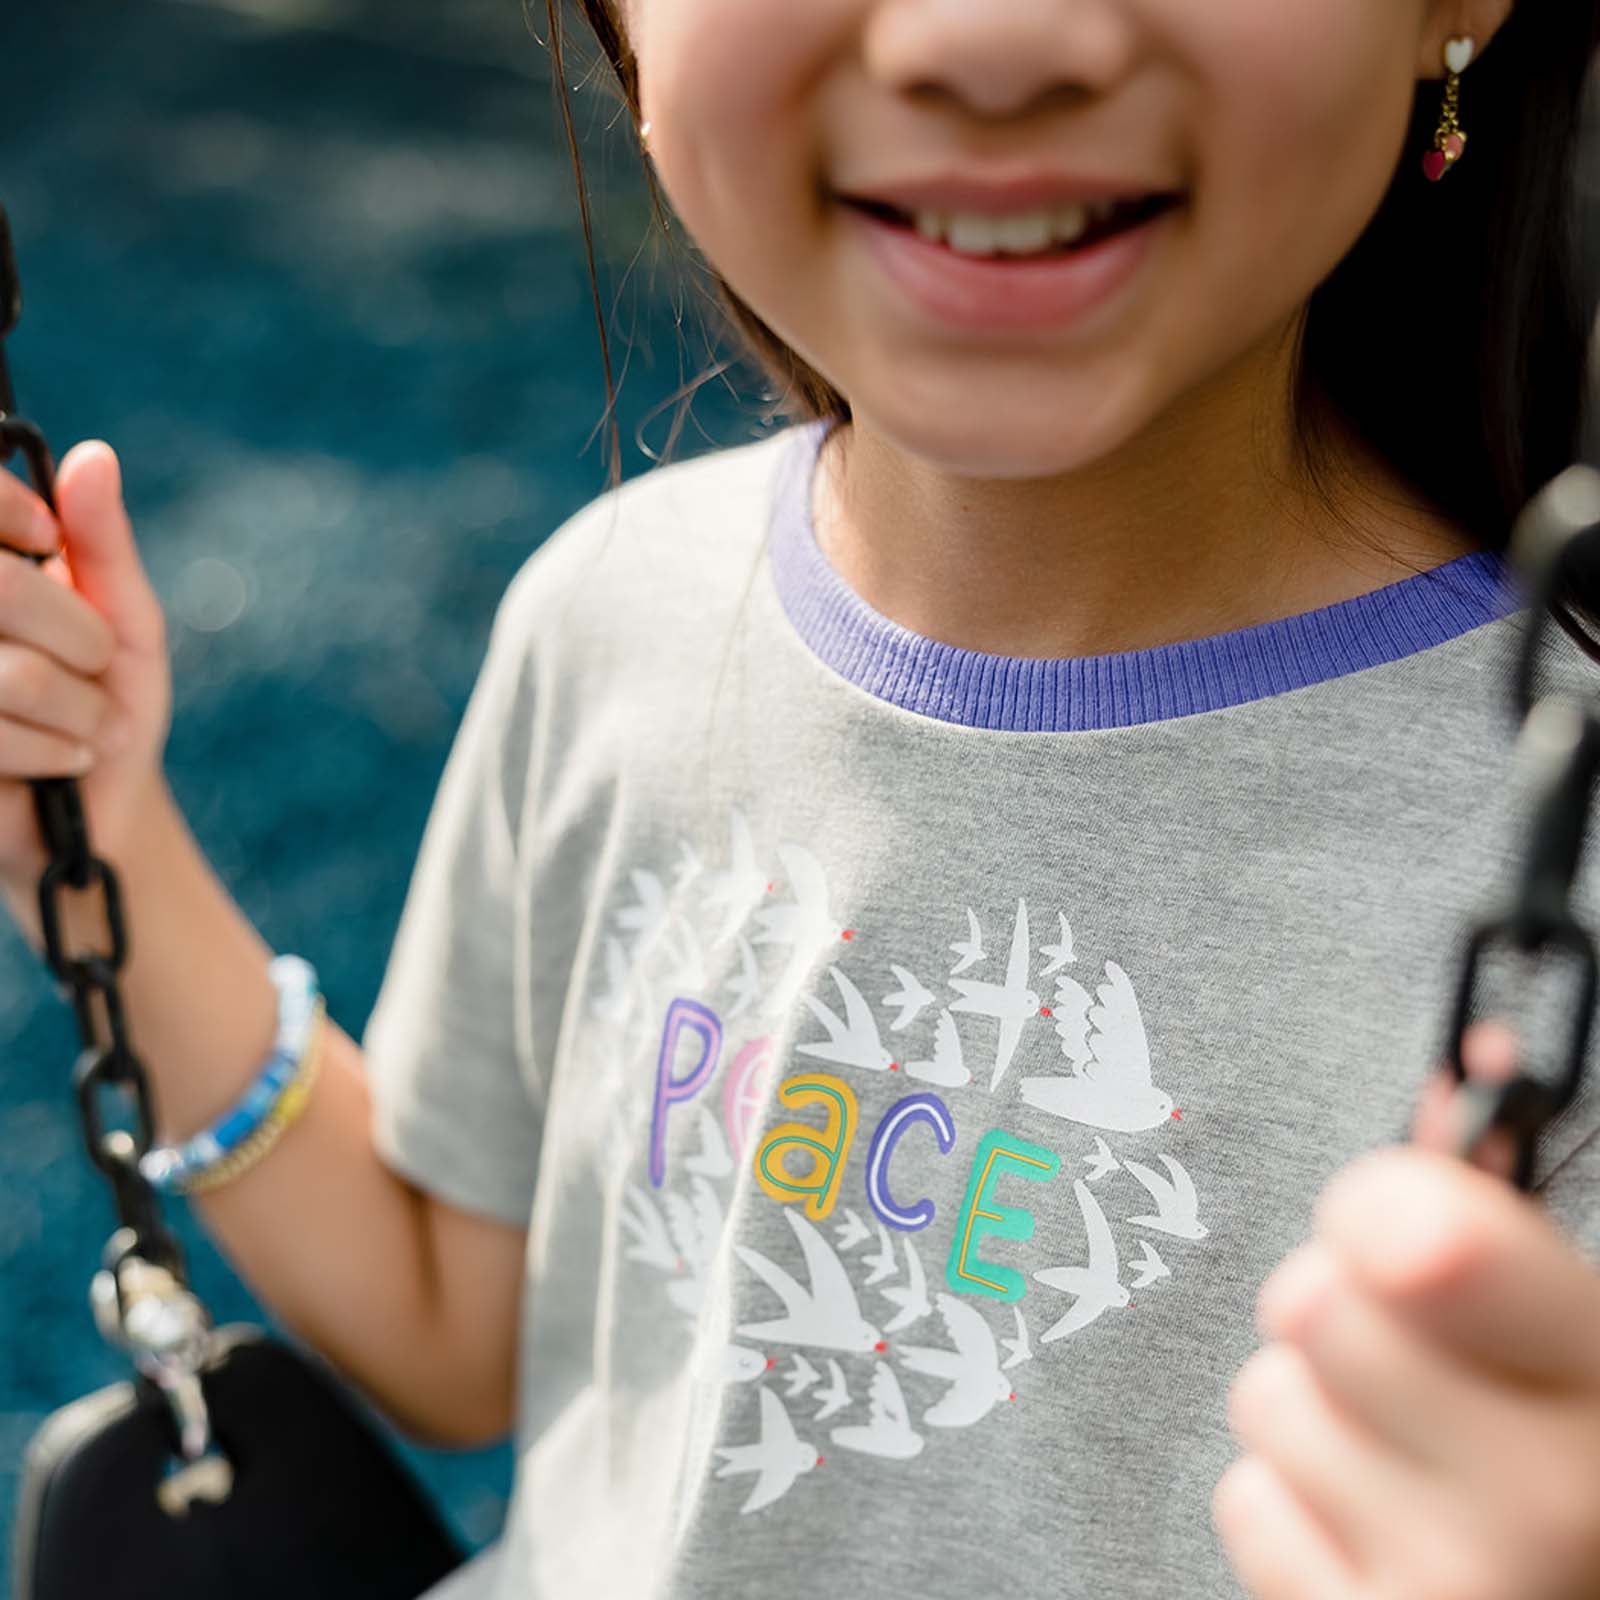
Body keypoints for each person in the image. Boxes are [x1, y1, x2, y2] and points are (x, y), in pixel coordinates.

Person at [7, 0, 1600, 1595]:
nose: (989, 42)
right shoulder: (617, 612)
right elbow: (452, 1329)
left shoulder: (1553, 858)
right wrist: (103, 835)